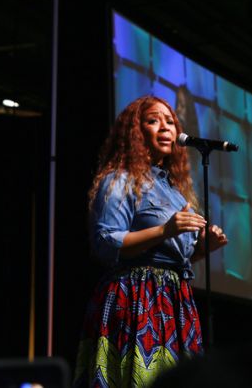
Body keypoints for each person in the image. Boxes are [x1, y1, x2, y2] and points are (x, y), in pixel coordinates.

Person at [73, 95, 228, 388]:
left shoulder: (175, 192)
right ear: (135, 131)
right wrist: (165, 230)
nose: (166, 127)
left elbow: (173, 257)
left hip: (174, 299)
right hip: (136, 296)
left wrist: (203, 248)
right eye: (153, 121)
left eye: (170, 121)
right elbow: (106, 242)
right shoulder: (120, 179)